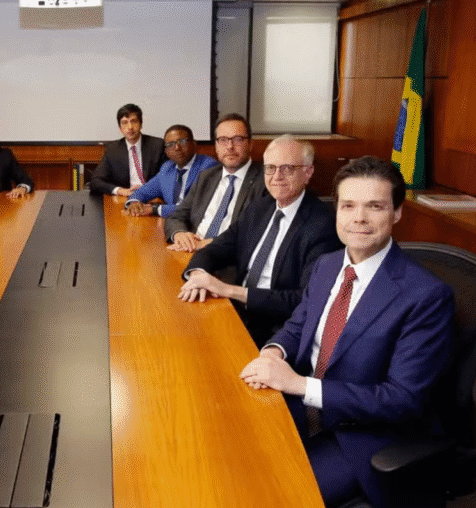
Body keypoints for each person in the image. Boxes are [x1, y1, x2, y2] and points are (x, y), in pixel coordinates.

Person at [239, 156, 454, 508]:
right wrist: (273, 353)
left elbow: (401, 400)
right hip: (302, 407)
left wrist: (299, 384)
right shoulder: (327, 265)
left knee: (272, 495)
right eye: (349, 205)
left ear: (397, 213)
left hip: (362, 436)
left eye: (375, 206)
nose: (359, 218)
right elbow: (299, 325)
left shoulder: (426, 296)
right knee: (227, 455)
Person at [178, 135, 341, 347]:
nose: (277, 176)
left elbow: (304, 300)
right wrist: (198, 275)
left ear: (307, 173)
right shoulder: (260, 207)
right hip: (237, 311)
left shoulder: (323, 225)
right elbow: (215, 249)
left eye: (288, 168)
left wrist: (228, 290)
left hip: (278, 329)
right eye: (270, 168)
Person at [164, 113, 267, 252]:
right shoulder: (207, 176)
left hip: (227, 258)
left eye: (238, 139)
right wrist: (180, 234)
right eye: (223, 140)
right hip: (190, 251)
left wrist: (209, 244)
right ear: (216, 146)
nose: (230, 147)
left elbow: (258, 233)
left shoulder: (266, 180)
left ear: (250, 144)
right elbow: (177, 215)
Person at [124, 125, 218, 218]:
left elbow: (195, 208)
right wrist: (135, 203)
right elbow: (142, 192)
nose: (177, 147)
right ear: (166, 151)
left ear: (194, 144)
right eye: (170, 144)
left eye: (182, 142)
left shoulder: (209, 167)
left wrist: (156, 209)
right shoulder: (167, 168)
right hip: (173, 223)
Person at [89, 104, 167, 196]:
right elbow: (95, 181)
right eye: (124, 122)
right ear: (120, 128)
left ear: (141, 124)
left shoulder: (157, 145)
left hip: (152, 196)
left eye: (133, 121)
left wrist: (148, 191)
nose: (130, 127)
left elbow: (167, 177)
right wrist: (120, 190)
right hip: (125, 197)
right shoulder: (112, 150)